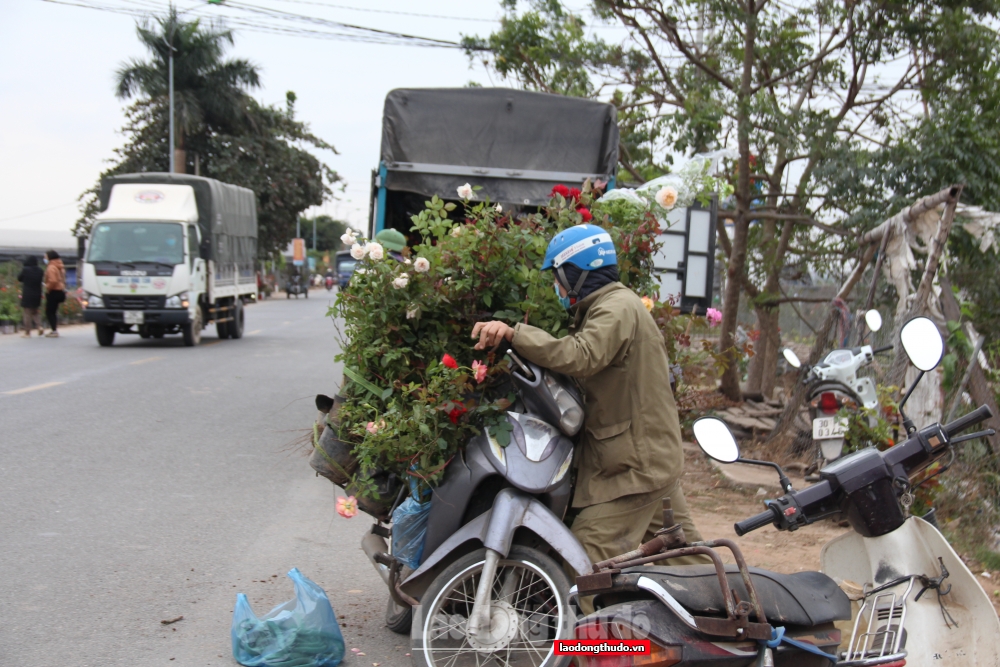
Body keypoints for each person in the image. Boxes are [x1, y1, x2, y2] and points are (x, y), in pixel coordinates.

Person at [471, 225, 709, 595]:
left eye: (558, 279)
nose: (558, 288)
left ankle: (586, 649)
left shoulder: (616, 308)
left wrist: (515, 334)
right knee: (689, 560)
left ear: (576, 273)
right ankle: (737, 618)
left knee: (582, 556)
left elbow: (582, 355)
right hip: (645, 461)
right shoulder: (611, 306)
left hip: (636, 468)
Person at [17, 255, 45, 337]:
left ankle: (27, 332)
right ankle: (39, 326)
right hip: (37, 294)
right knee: (35, 312)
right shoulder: (40, 270)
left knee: (27, 313)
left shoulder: (25, 270)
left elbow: (19, 278)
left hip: (28, 294)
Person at [42, 250, 66, 338]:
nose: (44, 259)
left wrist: (47, 287)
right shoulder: (59, 266)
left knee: (49, 312)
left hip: (53, 292)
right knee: (53, 311)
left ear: (49, 258)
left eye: (45, 257)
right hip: (60, 291)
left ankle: (54, 330)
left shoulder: (51, 267)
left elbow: (53, 280)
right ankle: (54, 329)